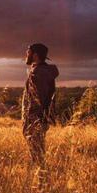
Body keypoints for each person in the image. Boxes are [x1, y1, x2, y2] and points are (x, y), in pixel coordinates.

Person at [22, 43, 59, 185]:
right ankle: (41, 182)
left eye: (28, 52)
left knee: (37, 154)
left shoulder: (38, 73)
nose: (26, 55)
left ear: (35, 55)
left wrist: (31, 120)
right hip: (39, 119)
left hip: (35, 119)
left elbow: (38, 100)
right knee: (38, 153)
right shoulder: (42, 71)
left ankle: (42, 184)